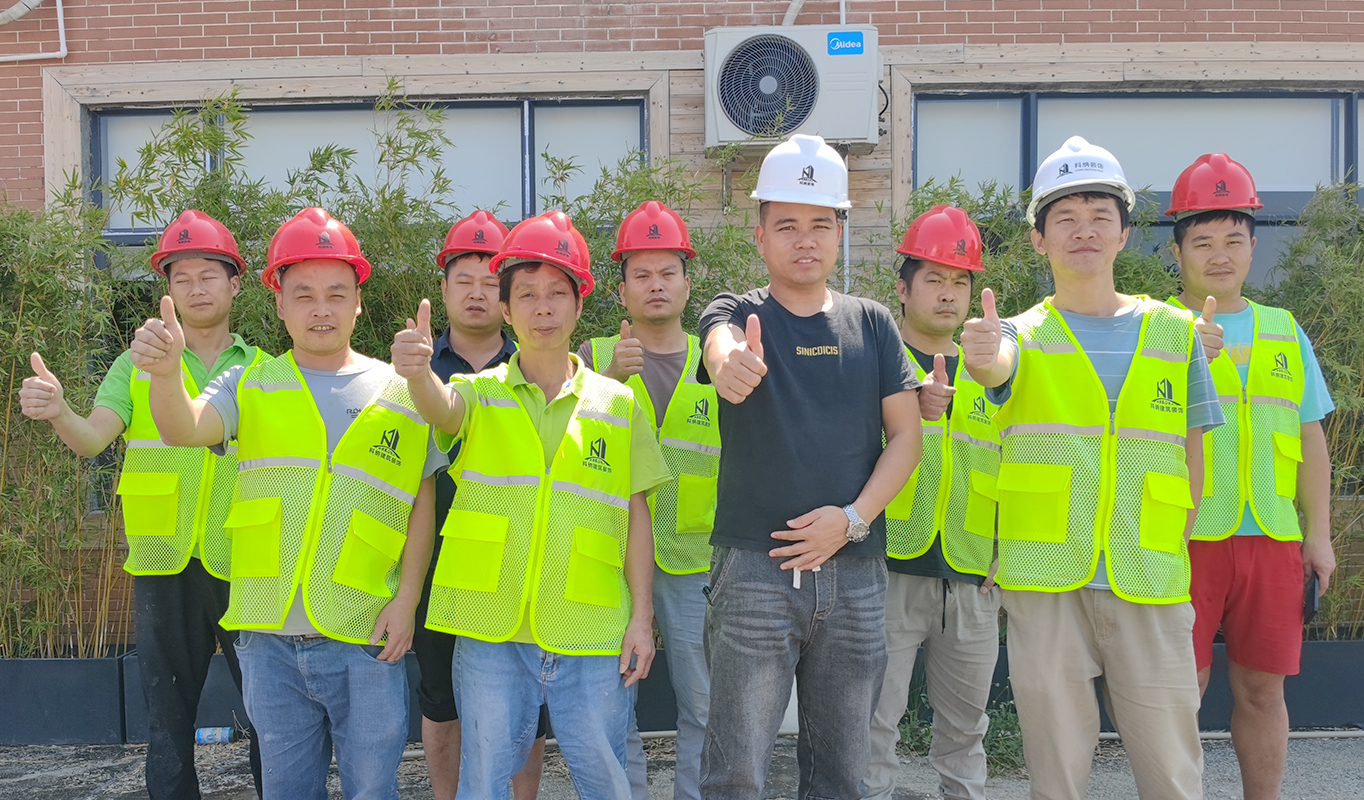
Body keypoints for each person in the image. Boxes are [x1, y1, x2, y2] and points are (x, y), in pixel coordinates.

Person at [133, 207, 443, 800]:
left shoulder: (401, 392)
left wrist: (407, 601)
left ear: (358, 303)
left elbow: (419, 505)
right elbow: (183, 428)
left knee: (373, 790)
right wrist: (168, 375)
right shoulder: (249, 385)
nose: (320, 308)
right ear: (278, 304)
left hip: (366, 637)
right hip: (269, 639)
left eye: (336, 294)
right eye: (303, 294)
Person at [961, 135, 1223, 800]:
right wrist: (984, 355)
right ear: (1038, 240)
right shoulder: (1018, 334)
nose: (1085, 231)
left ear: (1124, 234)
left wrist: (1178, 537)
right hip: (1045, 583)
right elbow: (994, 369)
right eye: (1066, 218)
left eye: (1101, 216)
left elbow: (1193, 446)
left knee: (1173, 776)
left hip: (1149, 577)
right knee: (1056, 780)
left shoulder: (1176, 333)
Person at [393, 210, 673, 799]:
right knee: (484, 782)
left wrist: (642, 617)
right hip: (491, 629)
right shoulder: (478, 393)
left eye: (556, 293)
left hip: (591, 628)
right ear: (506, 308)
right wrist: (417, 373)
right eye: (526, 294)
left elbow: (636, 517)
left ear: (579, 303)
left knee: (606, 781)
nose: (542, 308)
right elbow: (441, 409)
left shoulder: (619, 405)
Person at [698, 133, 923, 799]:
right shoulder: (738, 313)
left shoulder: (873, 325)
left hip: (855, 574)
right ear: (760, 235)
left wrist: (851, 520)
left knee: (842, 775)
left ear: (840, 233)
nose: (805, 240)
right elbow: (718, 343)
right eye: (787, 225)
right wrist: (729, 363)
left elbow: (906, 438)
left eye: (821, 224)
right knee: (735, 772)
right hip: (753, 572)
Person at [20, 210, 265, 800]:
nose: (196, 288)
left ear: (235, 284)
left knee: (270, 716)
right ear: (168, 291)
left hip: (250, 565)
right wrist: (59, 411)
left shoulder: (265, 372)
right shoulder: (135, 366)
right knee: (167, 723)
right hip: (162, 564)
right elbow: (91, 439)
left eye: (209, 275)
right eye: (182, 278)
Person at [1165, 154, 1336, 800]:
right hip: (1181, 537)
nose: (1220, 255)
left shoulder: (1284, 331)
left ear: (1254, 246)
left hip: (1271, 536)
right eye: (1203, 241)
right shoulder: (1155, 328)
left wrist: (1318, 535)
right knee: (1179, 689)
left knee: (1264, 691)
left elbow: (1310, 438)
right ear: (1177, 251)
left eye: (1233, 239)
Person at [579, 200, 720, 800]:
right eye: (641, 274)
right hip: (610, 558)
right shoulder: (590, 358)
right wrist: (606, 380)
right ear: (621, 291)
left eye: (667, 272)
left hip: (695, 560)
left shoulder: (717, 359)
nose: (656, 284)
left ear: (687, 284)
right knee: (615, 701)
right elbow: (557, 445)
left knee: (704, 702)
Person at [865, 206, 1000, 800]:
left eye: (960, 281)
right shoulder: (872, 363)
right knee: (873, 727)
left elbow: (1018, 463)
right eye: (935, 279)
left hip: (971, 576)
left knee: (967, 734)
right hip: (886, 570)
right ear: (903, 288)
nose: (948, 294)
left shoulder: (994, 375)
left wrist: (1006, 550)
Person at [413, 211, 550, 800]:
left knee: (527, 707)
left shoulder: (537, 367)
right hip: (437, 566)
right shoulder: (415, 369)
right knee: (441, 703)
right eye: (462, 280)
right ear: (443, 290)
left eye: (490, 282)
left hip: (521, 568)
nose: (476, 293)